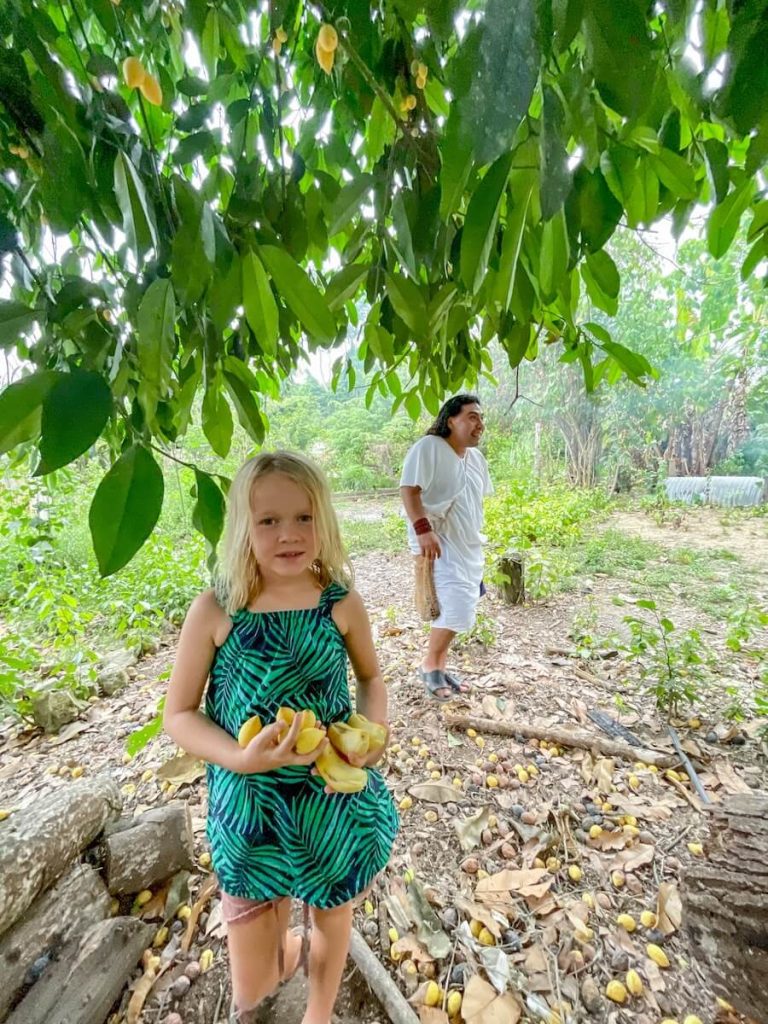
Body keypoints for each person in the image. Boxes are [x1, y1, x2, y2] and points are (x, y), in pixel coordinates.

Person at [164, 451, 398, 1024]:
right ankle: (277, 964)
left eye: (303, 517)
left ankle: (319, 1011)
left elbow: (370, 678)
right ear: (243, 527)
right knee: (252, 987)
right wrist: (239, 759)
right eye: (268, 520)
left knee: (331, 913)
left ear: (325, 521)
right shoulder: (219, 610)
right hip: (250, 809)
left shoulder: (339, 604)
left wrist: (374, 733)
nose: (288, 535)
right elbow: (180, 714)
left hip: (330, 802)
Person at [399, 394, 493, 701]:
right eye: (471, 416)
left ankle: (439, 665)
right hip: (438, 539)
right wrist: (423, 530)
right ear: (450, 420)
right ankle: (429, 665)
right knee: (454, 605)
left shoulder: (475, 458)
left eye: (480, 418)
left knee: (464, 602)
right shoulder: (430, 448)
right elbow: (409, 490)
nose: (479, 424)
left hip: (467, 543)